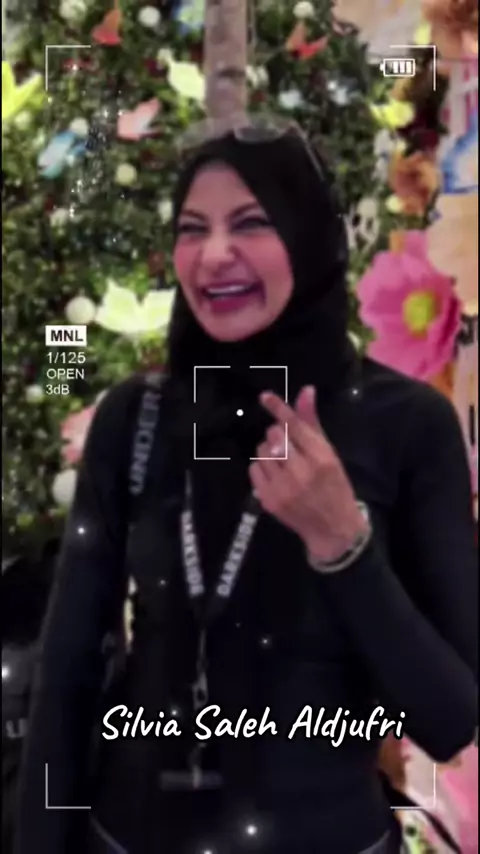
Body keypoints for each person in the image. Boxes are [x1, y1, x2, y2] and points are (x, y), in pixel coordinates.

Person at [15, 129, 478, 854]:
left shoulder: (406, 425)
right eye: (191, 228)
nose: (214, 254)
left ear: (309, 236)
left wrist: (343, 547)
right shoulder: (138, 417)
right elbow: (68, 676)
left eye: (253, 222)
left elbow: (449, 720)